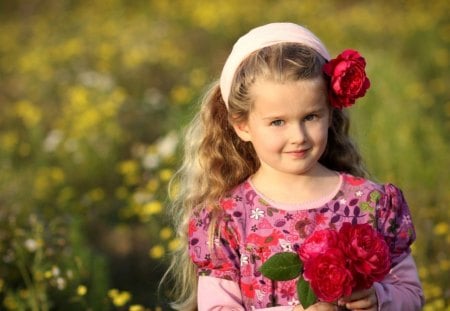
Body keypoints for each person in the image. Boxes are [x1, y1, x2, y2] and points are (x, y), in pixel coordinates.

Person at [166, 22, 424, 310]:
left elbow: (411, 295)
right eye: (278, 122)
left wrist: (380, 299)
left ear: (330, 113)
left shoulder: (371, 203)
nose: (298, 137)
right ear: (242, 126)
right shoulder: (228, 218)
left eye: (311, 117)